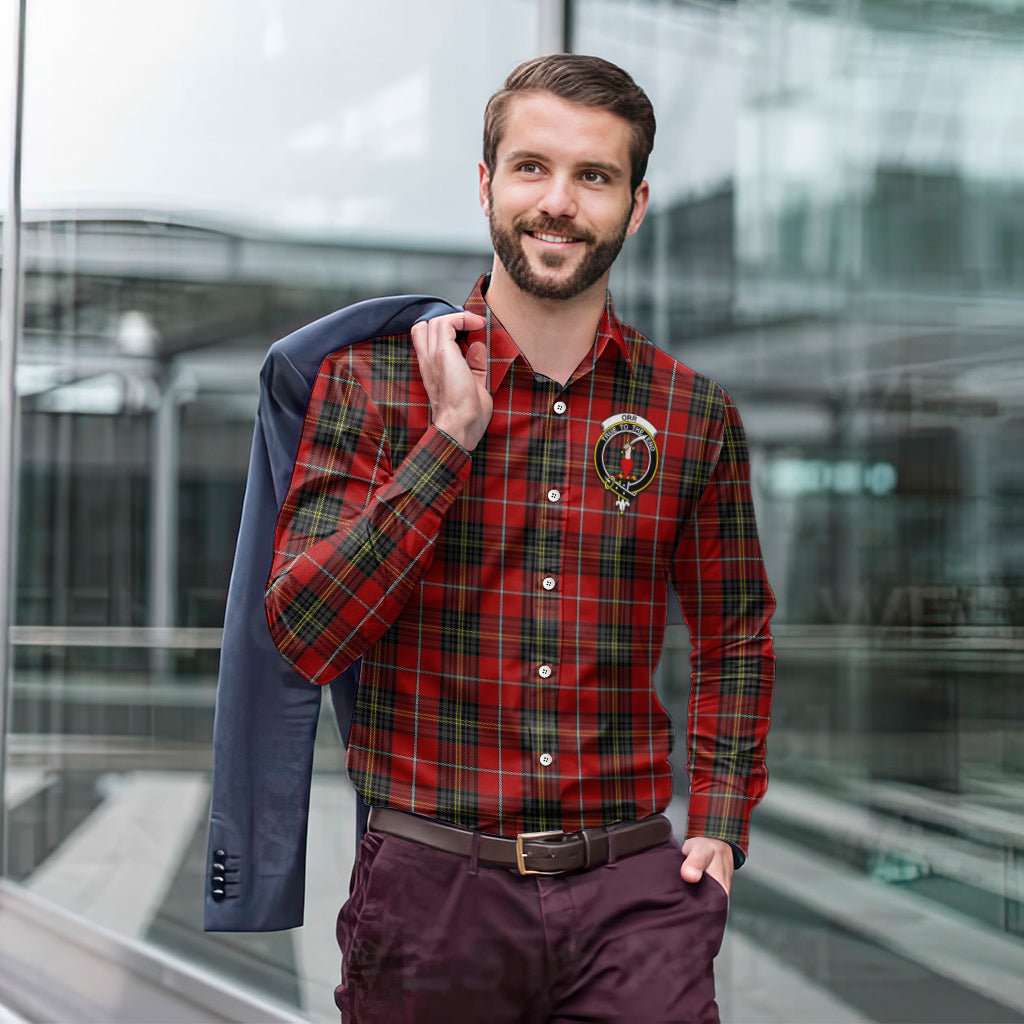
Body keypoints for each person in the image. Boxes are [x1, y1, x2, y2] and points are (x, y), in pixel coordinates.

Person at [265, 53, 775, 1024]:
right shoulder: (371, 387)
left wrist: (717, 818)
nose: (559, 202)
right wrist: (449, 439)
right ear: (486, 182)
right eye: (532, 167)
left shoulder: (691, 414)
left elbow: (734, 632)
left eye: (595, 176)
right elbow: (306, 632)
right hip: (432, 897)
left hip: (633, 896)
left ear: (636, 203)